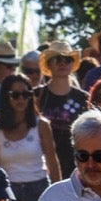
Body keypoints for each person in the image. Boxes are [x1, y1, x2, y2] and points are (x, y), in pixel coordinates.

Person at [0, 71, 61, 201]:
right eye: (15, 95)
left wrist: (59, 195)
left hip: (38, 189)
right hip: (8, 192)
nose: (21, 99)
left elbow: (52, 162)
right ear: (5, 97)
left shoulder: (42, 125)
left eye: (26, 94)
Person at [36, 40, 90, 176]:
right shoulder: (36, 95)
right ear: (48, 64)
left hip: (75, 166)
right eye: (56, 59)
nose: (62, 63)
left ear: (72, 64)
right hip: (41, 165)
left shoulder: (84, 98)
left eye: (67, 59)